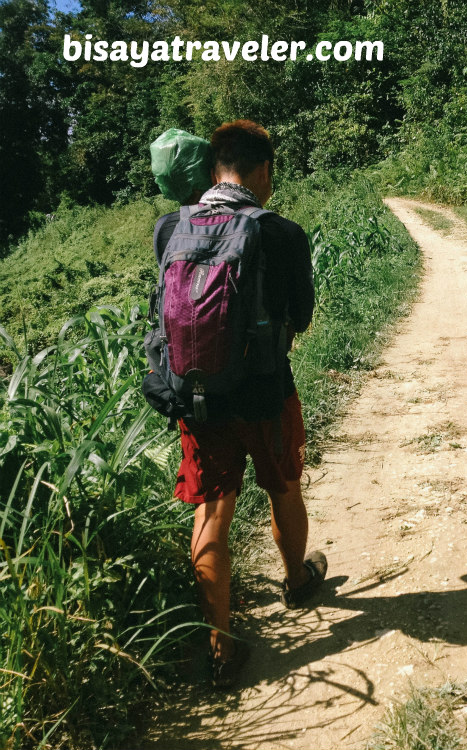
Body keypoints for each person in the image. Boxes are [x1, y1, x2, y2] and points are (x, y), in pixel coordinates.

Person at [153, 119, 325, 689]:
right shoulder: (281, 232)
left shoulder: (168, 228)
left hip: (198, 401)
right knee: (283, 489)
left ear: (212, 169)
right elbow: (300, 316)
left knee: (212, 513)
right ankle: (296, 581)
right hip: (267, 393)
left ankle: (221, 646)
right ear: (263, 171)